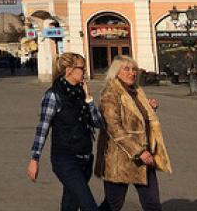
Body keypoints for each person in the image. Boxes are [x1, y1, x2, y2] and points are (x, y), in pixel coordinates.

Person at [27, 52, 104, 211]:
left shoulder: (81, 92)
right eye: (82, 68)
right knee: (89, 205)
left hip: (85, 159)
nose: (85, 72)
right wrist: (34, 159)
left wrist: (89, 99)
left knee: (70, 205)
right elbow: (43, 128)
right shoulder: (53, 95)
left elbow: (98, 123)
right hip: (65, 160)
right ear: (69, 70)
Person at [95, 55, 171, 211]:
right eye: (127, 69)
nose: (132, 73)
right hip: (119, 159)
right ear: (116, 72)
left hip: (143, 157)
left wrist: (148, 108)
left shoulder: (135, 92)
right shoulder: (110, 94)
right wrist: (138, 151)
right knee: (113, 204)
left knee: (152, 204)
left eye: (134, 69)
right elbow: (114, 127)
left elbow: (135, 116)